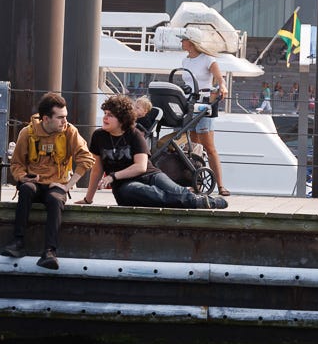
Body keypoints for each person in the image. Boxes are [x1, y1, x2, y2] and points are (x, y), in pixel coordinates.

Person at [77, 95, 227, 210]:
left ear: (122, 119)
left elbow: (141, 167)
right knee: (151, 194)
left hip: (150, 175)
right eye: (105, 113)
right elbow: (97, 169)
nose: (105, 117)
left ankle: (201, 201)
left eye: (110, 115)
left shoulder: (134, 135)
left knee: (175, 190)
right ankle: (200, 201)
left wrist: (112, 176)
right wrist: (88, 199)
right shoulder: (99, 136)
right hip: (125, 186)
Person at [1, 92, 95, 270]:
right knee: (26, 189)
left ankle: (50, 252)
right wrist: (24, 177)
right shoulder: (27, 133)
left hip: (56, 185)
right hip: (35, 184)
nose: (64, 122)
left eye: (65, 117)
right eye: (60, 118)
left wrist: (67, 185)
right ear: (46, 118)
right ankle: (18, 242)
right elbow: (17, 164)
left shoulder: (70, 132)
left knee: (55, 199)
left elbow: (87, 159)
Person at [179, 27, 231, 196]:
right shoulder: (185, 61)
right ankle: (197, 183)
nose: (181, 42)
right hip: (190, 104)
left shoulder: (207, 59)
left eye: (184, 39)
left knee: (209, 146)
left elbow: (219, 79)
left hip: (204, 105)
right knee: (194, 147)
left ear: (191, 43)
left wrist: (222, 87)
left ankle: (221, 185)